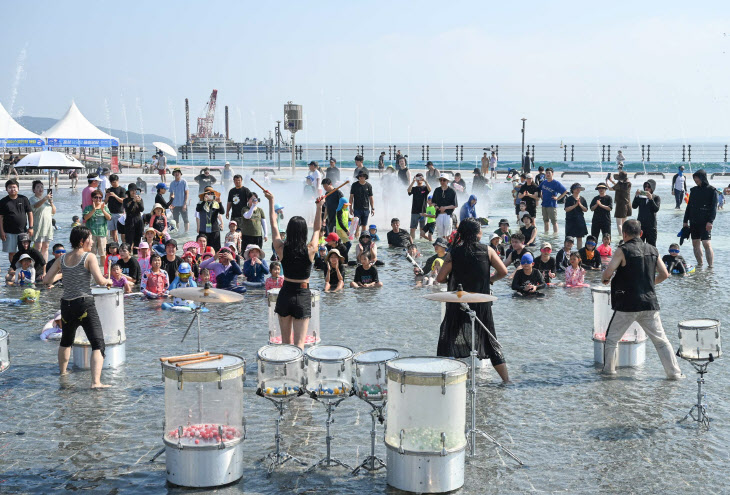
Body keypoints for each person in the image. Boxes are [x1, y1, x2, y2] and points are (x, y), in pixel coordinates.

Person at [600, 219, 683, 378]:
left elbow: (607, 273)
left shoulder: (622, 250)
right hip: (649, 304)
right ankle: (675, 374)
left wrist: (605, 279)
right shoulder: (653, 249)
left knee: (611, 340)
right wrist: (649, 284)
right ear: (641, 233)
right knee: (661, 341)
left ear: (624, 234)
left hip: (627, 305)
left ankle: (608, 374)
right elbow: (665, 274)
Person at [435, 218, 510, 383]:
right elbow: (503, 271)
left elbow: (440, 278)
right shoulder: (488, 250)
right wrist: (490, 280)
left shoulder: (453, 253)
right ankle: (506, 380)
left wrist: (451, 278)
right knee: (490, 340)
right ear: (477, 233)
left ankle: (442, 380)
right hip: (481, 303)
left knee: (447, 338)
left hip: (458, 302)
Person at [42, 225, 113, 388]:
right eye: (90, 238)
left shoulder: (62, 259)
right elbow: (100, 281)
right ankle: (96, 382)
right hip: (84, 304)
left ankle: (63, 373)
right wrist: (108, 281)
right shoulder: (89, 257)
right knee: (98, 343)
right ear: (82, 241)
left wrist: (64, 273)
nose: (92, 241)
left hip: (66, 305)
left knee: (66, 341)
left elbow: (46, 280)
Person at [264, 189, 324, 349]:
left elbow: (273, 224)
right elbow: (317, 229)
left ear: (289, 231)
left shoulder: (281, 248)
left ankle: (285, 374)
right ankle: (297, 373)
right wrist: (319, 207)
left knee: (285, 344)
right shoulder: (311, 249)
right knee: (299, 344)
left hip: (285, 293)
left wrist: (271, 200)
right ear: (304, 231)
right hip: (303, 294)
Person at [683, 169, 716, 268]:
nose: (695, 180)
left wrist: (710, 221)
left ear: (702, 178)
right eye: (694, 178)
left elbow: (714, 208)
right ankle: (700, 265)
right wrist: (685, 221)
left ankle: (710, 267)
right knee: (695, 244)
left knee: (706, 243)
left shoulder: (712, 190)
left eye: (696, 178)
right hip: (694, 220)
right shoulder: (694, 190)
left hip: (705, 221)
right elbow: (689, 207)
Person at [0, 178, 33, 263]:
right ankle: (13, 269)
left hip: (23, 231)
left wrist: (31, 227)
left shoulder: (24, 199)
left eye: (14, 187)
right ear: (6, 189)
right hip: (8, 232)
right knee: (12, 253)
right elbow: (0, 217)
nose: (12, 189)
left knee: (25, 252)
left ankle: (24, 269)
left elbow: (30, 213)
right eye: (10, 187)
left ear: (18, 188)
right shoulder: (3, 201)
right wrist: (2, 232)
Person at [29, 180, 55, 261]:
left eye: (42, 187)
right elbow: (36, 206)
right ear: (34, 190)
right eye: (38, 187)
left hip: (47, 227)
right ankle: (37, 267)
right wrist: (45, 199)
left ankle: (44, 267)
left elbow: (53, 212)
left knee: (46, 247)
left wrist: (51, 203)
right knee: (38, 247)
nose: (40, 189)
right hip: (38, 226)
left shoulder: (47, 200)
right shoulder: (32, 199)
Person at [539, 168, 568, 234]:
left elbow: (565, 191)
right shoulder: (544, 182)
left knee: (554, 222)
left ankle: (555, 236)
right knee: (545, 221)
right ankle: (546, 234)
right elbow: (538, 189)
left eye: (549, 173)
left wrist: (558, 198)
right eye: (546, 173)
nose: (548, 174)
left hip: (552, 205)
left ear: (552, 174)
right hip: (544, 204)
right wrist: (541, 196)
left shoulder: (556, 183)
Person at [196, 186, 225, 252]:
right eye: (208, 194)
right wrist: (204, 201)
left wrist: (220, 202)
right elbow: (198, 209)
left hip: (214, 230)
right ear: (204, 195)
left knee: (216, 249)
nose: (210, 195)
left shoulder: (216, 204)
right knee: (202, 248)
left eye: (212, 194)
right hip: (203, 230)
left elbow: (222, 212)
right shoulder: (200, 203)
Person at [632, 179, 660, 246]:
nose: (646, 188)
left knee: (651, 246)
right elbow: (634, 206)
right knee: (638, 245)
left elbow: (656, 209)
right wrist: (636, 196)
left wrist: (651, 199)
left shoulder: (656, 197)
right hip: (641, 225)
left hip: (651, 226)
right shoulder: (641, 197)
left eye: (648, 187)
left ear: (652, 188)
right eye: (645, 187)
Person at [83, 189, 111, 257]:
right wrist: (94, 210)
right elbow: (85, 218)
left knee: (103, 254)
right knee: (91, 254)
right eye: (96, 197)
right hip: (91, 234)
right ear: (92, 198)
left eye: (100, 197)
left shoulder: (105, 207)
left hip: (102, 233)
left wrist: (103, 210)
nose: (98, 199)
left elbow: (109, 218)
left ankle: (103, 267)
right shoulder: (88, 208)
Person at [348, 171, 374, 238]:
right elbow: (351, 197)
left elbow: (371, 198)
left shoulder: (369, 186)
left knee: (364, 225)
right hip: (357, 208)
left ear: (365, 177)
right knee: (357, 225)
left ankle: (363, 239)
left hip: (366, 208)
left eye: (363, 176)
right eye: (360, 176)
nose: (362, 177)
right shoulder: (354, 185)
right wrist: (350, 208)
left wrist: (372, 208)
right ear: (358, 177)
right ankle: (356, 239)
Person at [432, 174, 457, 239]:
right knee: (440, 235)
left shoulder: (452, 191)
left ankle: (447, 248)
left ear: (447, 181)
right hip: (439, 215)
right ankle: (441, 247)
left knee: (448, 235)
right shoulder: (437, 190)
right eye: (441, 180)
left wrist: (445, 208)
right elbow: (433, 202)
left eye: (444, 180)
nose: (442, 182)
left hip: (448, 215)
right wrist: (435, 206)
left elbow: (455, 205)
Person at [607, 170, 632, 236]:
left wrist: (607, 182)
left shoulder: (620, 185)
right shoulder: (628, 184)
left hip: (620, 205)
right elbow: (618, 187)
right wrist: (612, 181)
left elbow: (610, 189)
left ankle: (621, 237)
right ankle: (625, 236)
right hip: (628, 204)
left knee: (619, 224)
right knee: (623, 223)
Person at [564, 183, 588, 248]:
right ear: (573, 190)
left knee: (579, 238)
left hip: (580, 220)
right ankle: (567, 251)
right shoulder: (569, 199)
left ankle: (579, 252)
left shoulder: (582, 199)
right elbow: (566, 209)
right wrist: (575, 205)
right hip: (570, 220)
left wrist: (580, 204)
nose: (578, 190)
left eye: (579, 188)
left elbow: (586, 209)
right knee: (569, 238)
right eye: (576, 188)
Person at [407, 173, 431, 239]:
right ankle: (413, 242)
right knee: (412, 229)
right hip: (414, 211)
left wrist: (425, 181)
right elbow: (408, 190)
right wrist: (413, 181)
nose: (419, 180)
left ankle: (421, 243)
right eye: (417, 178)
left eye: (420, 178)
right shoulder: (414, 188)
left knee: (422, 230)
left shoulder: (425, 188)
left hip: (423, 211)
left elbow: (430, 189)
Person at [105, 174, 126, 244]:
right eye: (111, 182)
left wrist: (115, 196)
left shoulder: (122, 189)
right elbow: (105, 202)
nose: (113, 184)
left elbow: (123, 201)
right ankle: (115, 244)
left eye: (114, 182)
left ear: (118, 181)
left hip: (119, 212)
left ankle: (124, 244)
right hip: (110, 213)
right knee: (112, 230)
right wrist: (107, 197)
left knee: (122, 231)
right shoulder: (109, 190)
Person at [122, 183, 144, 250]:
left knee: (137, 241)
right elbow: (128, 210)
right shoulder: (125, 200)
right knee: (129, 241)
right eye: (132, 190)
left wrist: (139, 202)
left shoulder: (140, 199)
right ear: (129, 191)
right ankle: (128, 255)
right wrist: (133, 201)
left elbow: (142, 209)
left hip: (138, 220)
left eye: (135, 190)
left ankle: (136, 256)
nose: (134, 192)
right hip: (129, 221)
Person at [169, 168, 190, 233]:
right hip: (175, 205)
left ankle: (186, 232)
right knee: (175, 220)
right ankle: (177, 232)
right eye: (175, 172)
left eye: (178, 172)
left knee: (185, 219)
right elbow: (171, 194)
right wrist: (170, 204)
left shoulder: (184, 182)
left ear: (180, 174)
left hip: (182, 204)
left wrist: (184, 204)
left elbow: (187, 193)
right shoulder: (172, 183)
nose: (177, 173)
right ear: (173, 174)